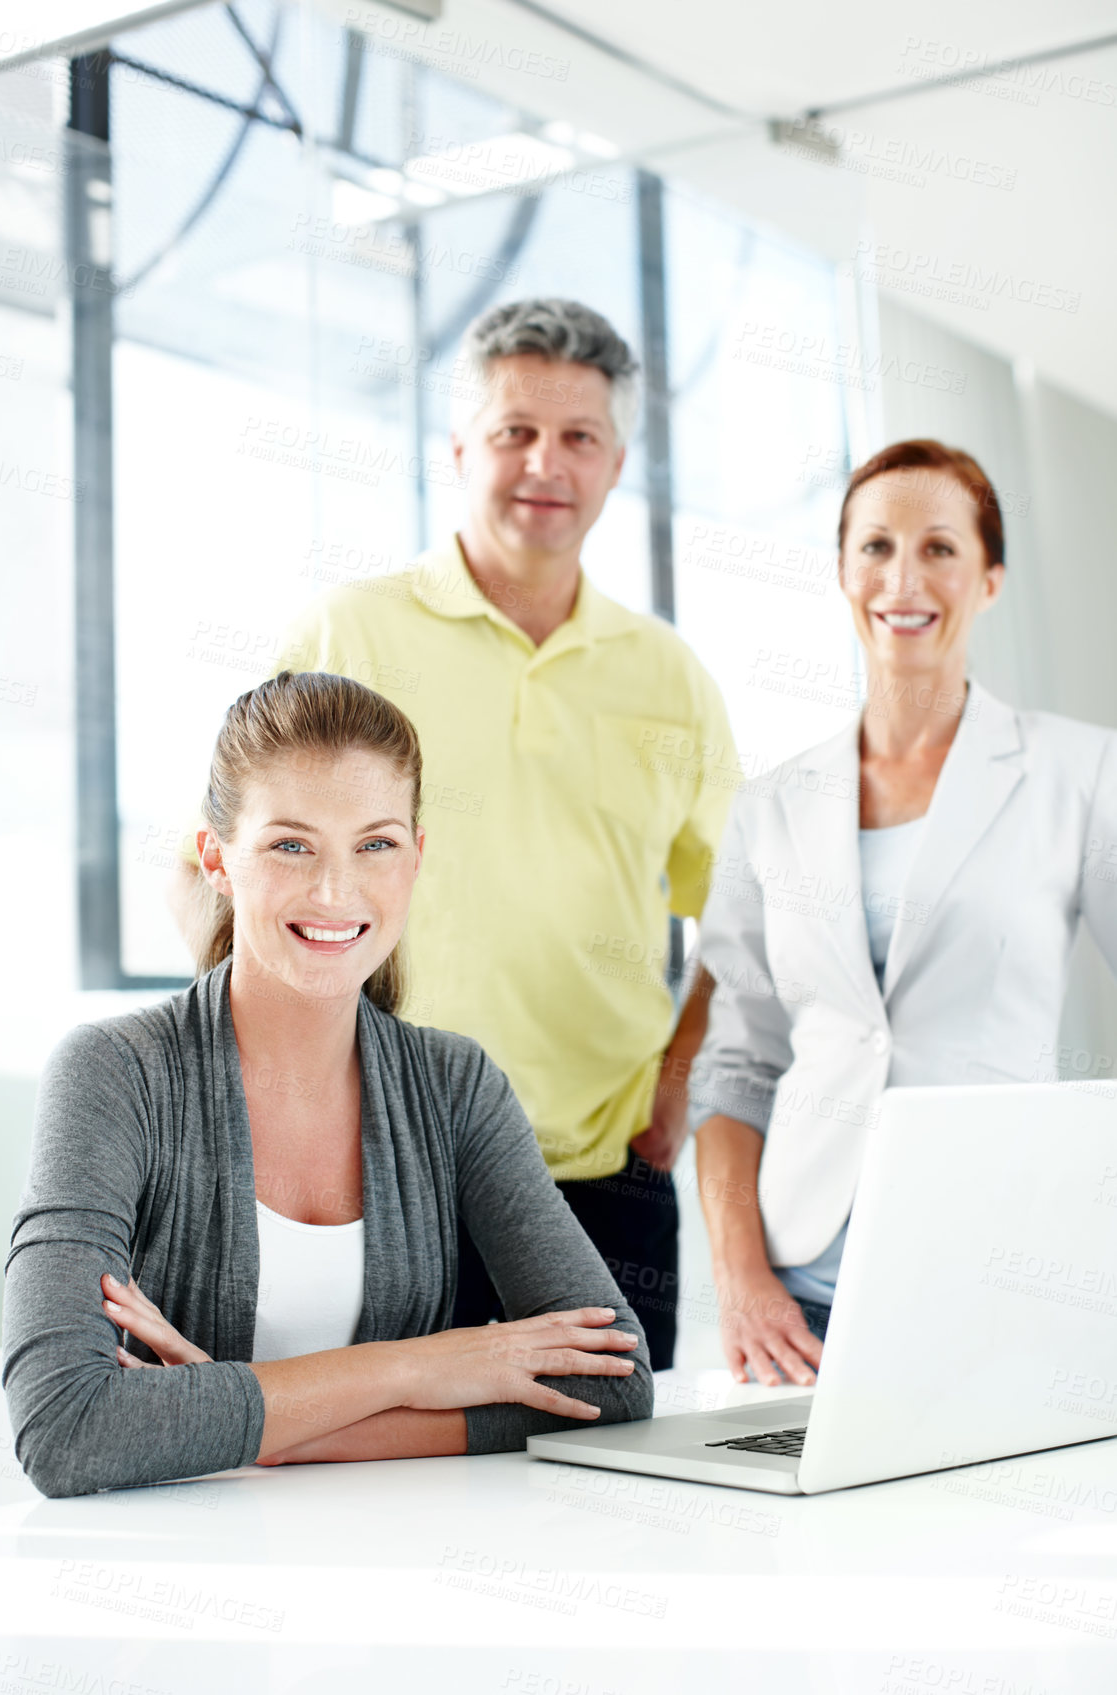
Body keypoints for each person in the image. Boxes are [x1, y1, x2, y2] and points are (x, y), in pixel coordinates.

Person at [175, 298, 736, 1368]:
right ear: (459, 450)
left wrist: (675, 1089)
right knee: (367, 1485)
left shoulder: (670, 677)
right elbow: (222, 864)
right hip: (378, 1161)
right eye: (515, 432)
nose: (545, 463)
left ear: (616, 464)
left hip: (599, 1179)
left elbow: (748, 918)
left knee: (609, 1495)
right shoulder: (350, 630)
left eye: (578, 437)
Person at [3, 672, 652, 1499]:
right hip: (170, 1579)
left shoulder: (454, 1085)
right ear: (217, 859)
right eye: (290, 844)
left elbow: (614, 1385)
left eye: (374, 844)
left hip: (384, 1569)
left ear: (416, 856)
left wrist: (269, 1435)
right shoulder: (114, 1073)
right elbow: (66, 1428)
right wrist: (422, 1365)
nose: (334, 891)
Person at [690, 438, 1117, 1388]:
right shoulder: (769, 807)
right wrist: (740, 1273)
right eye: (875, 546)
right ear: (843, 571)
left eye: (939, 547)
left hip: (998, 1267)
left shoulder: (1079, 774)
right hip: (798, 1294)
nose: (902, 576)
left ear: (990, 579)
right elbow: (736, 1064)